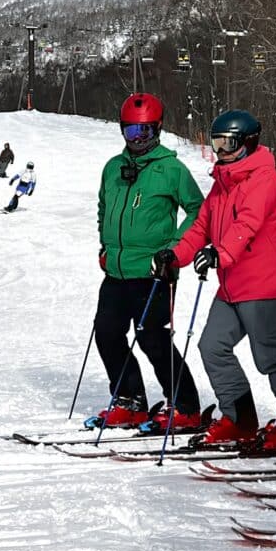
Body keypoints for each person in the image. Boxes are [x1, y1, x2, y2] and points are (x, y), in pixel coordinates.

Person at [153, 110, 276, 450]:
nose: (221, 151)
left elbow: (247, 225)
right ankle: (240, 419)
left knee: (268, 356)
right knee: (212, 346)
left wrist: (220, 253)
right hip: (231, 284)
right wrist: (175, 254)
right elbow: (200, 227)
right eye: (217, 143)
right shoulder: (222, 184)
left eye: (228, 143)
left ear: (247, 142)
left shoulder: (265, 179)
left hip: (261, 283)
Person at [87, 94, 205, 430]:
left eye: (145, 132)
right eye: (131, 131)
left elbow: (199, 211)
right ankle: (130, 399)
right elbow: (103, 208)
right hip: (117, 270)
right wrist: (105, 245)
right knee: (107, 333)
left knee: (152, 337)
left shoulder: (171, 169)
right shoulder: (112, 168)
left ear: (158, 130)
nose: (137, 139)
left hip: (154, 271)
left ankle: (185, 406)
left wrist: (173, 249)